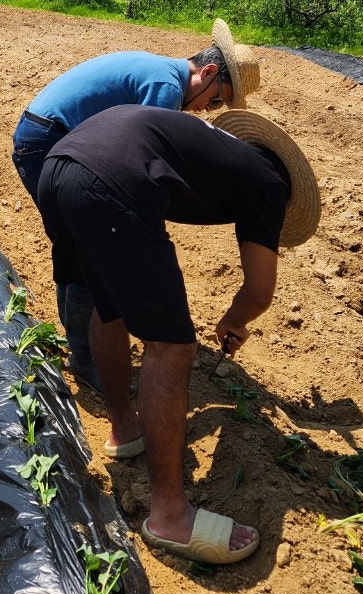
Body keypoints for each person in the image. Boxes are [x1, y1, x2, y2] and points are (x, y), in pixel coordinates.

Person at [37, 104, 320, 566]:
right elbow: (259, 289)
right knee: (172, 347)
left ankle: (125, 427)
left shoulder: (221, 151)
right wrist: (234, 320)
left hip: (62, 164)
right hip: (110, 180)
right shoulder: (269, 183)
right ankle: (169, 515)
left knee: (110, 309)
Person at [12, 19, 259, 389]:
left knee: (78, 250)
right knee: (89, 255)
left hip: (44, 135)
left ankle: (83, 348)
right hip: (49, 141)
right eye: (217, 97)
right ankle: (88, 359)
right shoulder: (164, 88)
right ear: (207, 72)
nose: (210, 109)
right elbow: (141, 164)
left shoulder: (162, 72)